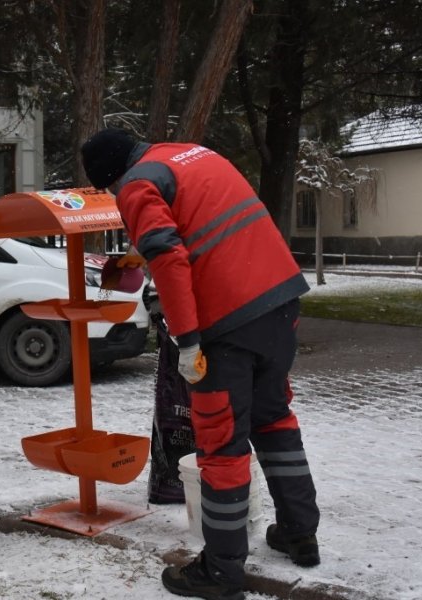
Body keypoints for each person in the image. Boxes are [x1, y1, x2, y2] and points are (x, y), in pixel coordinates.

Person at [81, 128, 320, 600]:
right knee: (274, 420)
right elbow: (201, 227)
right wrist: (138, 254)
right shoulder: (189, 156)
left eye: (109, 188)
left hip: (227, 325)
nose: (115, 196)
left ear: (112, 176)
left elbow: (169, 258)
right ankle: (299, 533)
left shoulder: (135, 186)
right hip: (281, 302)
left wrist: (187, 341)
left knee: (221, 444)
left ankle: (222, 569)